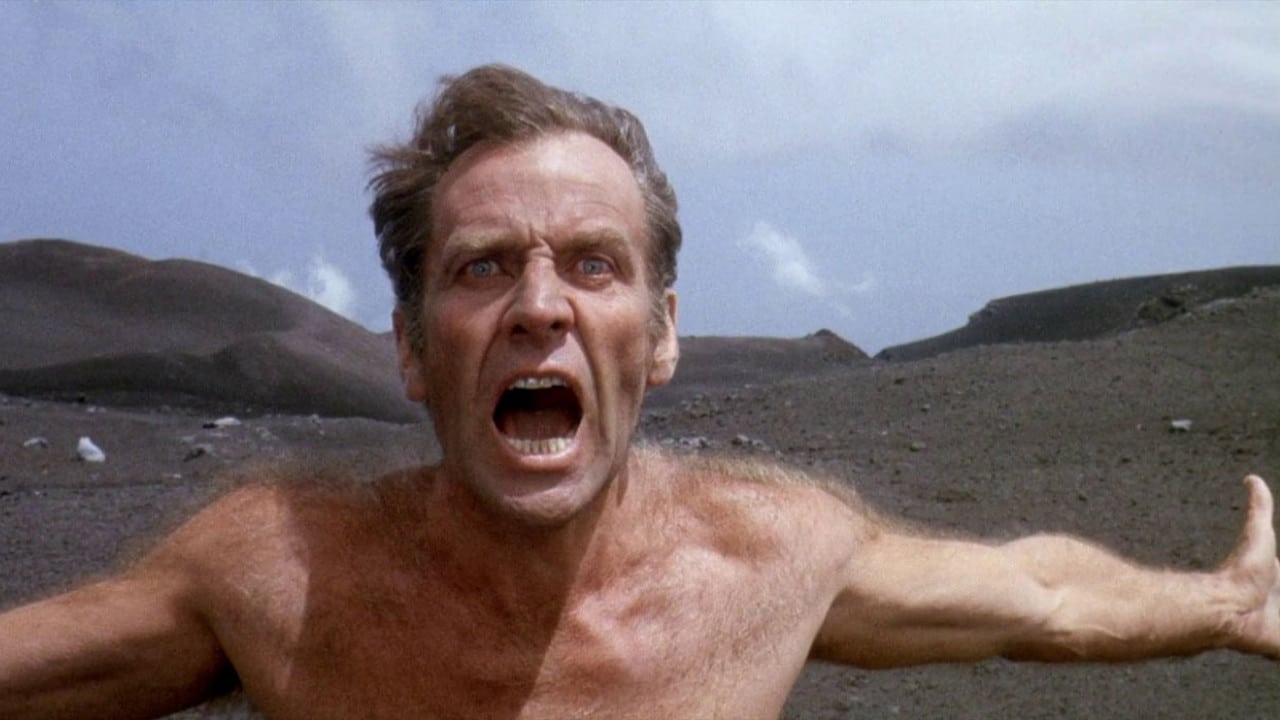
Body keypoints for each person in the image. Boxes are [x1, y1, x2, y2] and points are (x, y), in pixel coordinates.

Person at [1, 64, 1276, 720]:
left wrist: (1226, 604)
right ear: (411, 349)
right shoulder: (275, 579)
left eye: (592, 265)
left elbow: (1044, 597)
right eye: (481, 267)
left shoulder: (768, 561)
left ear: (660, 336)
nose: (538, 306)